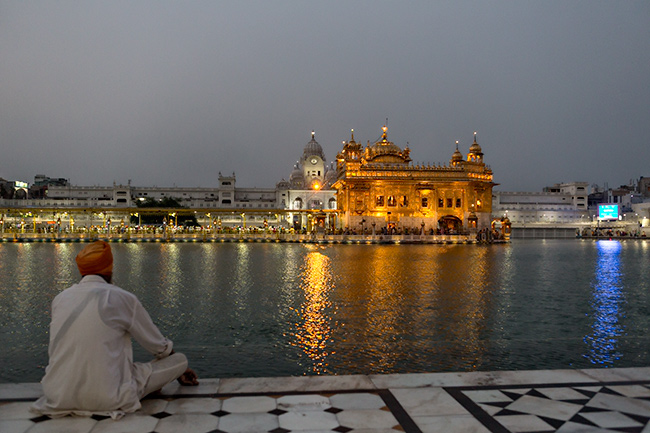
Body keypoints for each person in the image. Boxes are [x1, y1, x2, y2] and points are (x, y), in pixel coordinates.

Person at [31, 240, 198, 419]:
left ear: (82, 270)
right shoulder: (121, 297)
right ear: (109, 269)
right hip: (110, 397)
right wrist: (180, 369)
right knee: (179, 360)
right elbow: (158, 347)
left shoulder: (60, 299)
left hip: (57, 396)